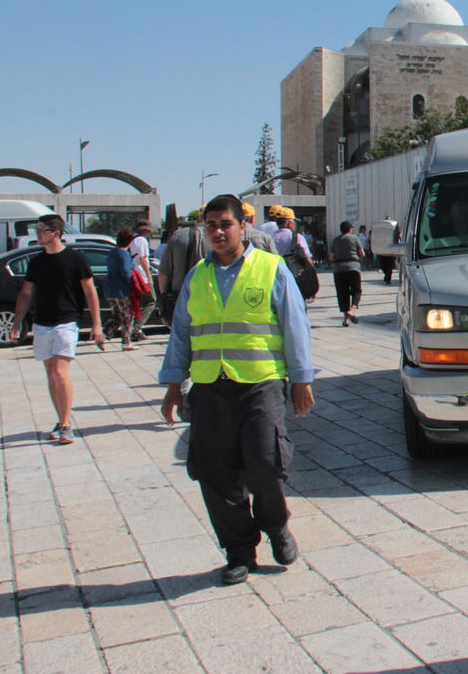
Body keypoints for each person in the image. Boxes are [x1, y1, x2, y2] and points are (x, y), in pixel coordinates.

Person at [160, 195, 316, 584]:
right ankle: (239, 551)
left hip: (259, 384)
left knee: (265, 464)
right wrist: (173, 384)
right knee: (215, 473)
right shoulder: (198, 275)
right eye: (209, 225)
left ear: (242, 226)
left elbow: (295, 325)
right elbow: (182, 333)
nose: (216, 231)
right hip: (211, 386)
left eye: (224, 224)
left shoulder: (271, 268)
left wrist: (301, 378)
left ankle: (276, 526)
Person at [9, 215, 106, 443]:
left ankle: (65, 425)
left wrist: (96, 324)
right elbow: (26, 292)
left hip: (67, 321)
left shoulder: (76, 258)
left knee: (61, 372)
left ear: (55, 232)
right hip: (42, 323)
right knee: (51, 374)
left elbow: (90, 291)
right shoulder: (36, 262)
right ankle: (61, 419)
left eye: (41, 230)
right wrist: (16, 321)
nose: (37, 234)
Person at [105, 230, 138, 351]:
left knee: (117, 315)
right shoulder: (124, 254)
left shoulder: (112, 252)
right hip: (121, 290)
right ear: (130, 241)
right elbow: (125, 271)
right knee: (127, 316)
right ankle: (126, 342)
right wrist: (132, 281)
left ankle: (106, 333)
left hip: (110, 289)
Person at [330, 220, 364, 326]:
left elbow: (331, 257)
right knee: (356, 290)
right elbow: (362, 253)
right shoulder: (354, 238)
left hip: (339, 269)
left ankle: (346, 319)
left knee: (342, 293)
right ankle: (352, 310)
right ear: (350, 229)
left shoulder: (335, 240)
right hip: (353, 267)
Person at [128, 221, 157, 341]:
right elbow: (143, 258)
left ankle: (135, 328)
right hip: (141, 275)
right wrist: (149, 276)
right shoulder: (141, 241)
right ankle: (137, 327)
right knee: (151, 301)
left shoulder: (133, 240)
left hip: (135, 273)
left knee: (137, 303)